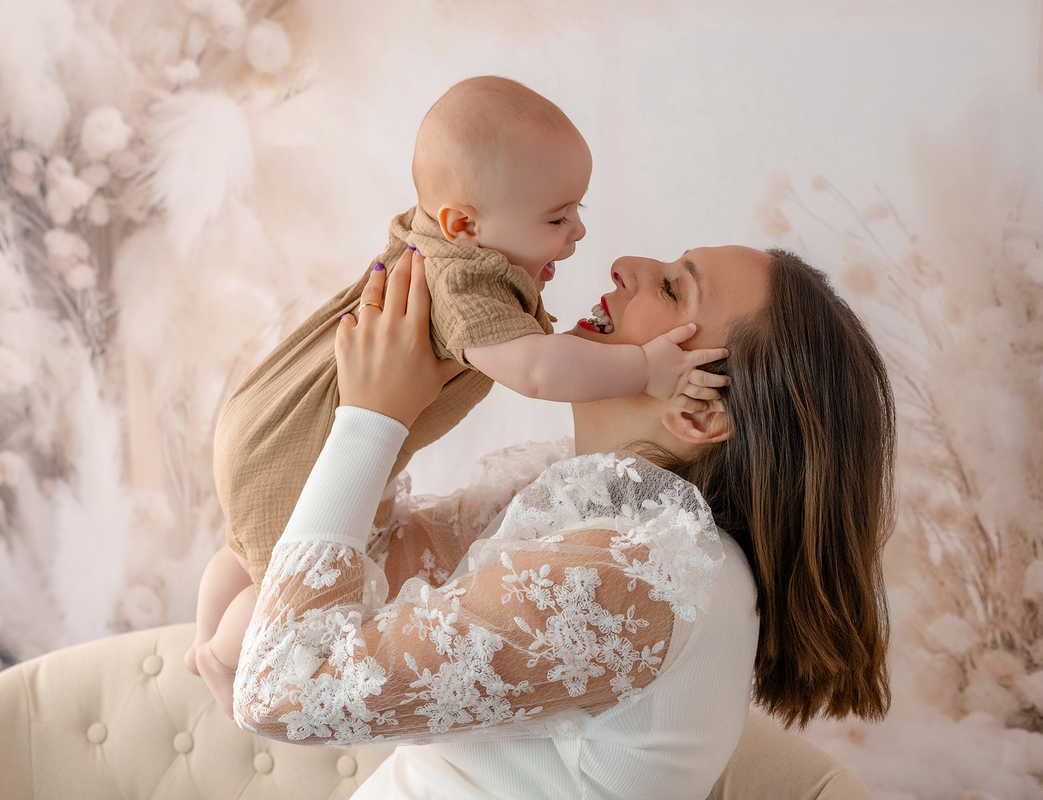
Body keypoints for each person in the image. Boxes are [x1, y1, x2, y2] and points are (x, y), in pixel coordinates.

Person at [231, 245, 894, 800]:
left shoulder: (638, 573)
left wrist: (372, 422)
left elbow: (279, 689)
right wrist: (418, 379)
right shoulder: (584, 507)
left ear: (698, 416)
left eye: (670, 287)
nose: (624, 265)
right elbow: (349, 571)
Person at [188, 76, 729, 712]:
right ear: (463, 223)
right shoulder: (465, 285)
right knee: (277, 579)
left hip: (264, 423)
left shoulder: (443, 243)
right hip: (298, 451)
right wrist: (644, 368)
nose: (579, 234)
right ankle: (222, 655)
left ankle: (202, 632)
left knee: (242, 547)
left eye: (577, 210)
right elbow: (538, 371)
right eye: (557, 218)